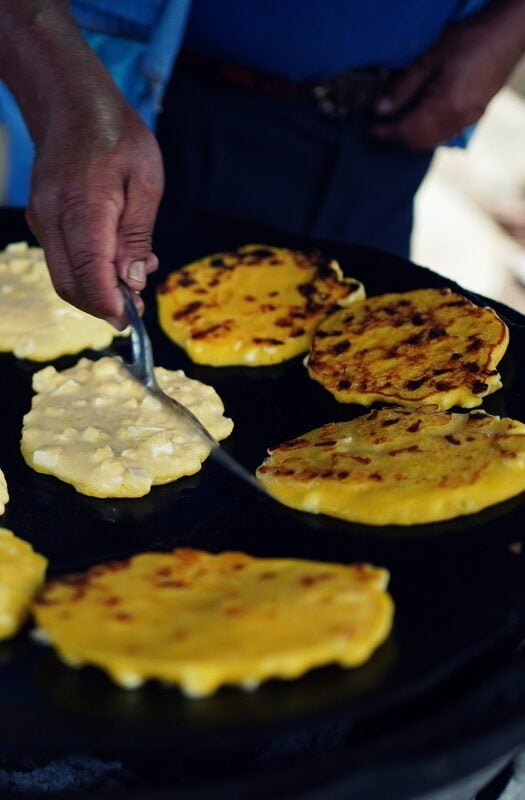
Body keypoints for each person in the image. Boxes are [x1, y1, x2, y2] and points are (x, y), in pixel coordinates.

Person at [0, 0, 524, 331]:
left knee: (370, 372)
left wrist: (511, 24)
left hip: (394, 123)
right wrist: (64, 95)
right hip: (162, 103)